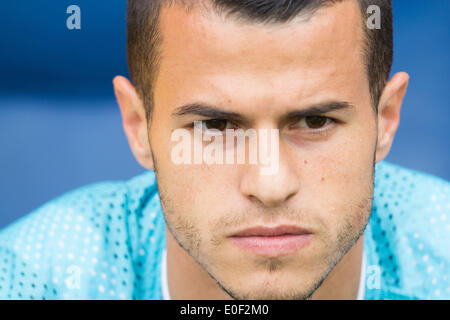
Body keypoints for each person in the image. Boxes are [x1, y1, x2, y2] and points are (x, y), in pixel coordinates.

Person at [0, 0, 448, 300]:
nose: (270, 184)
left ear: (386, 119)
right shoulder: (32, 280)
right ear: (138, 126)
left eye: (314, 121)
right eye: (215, 126)